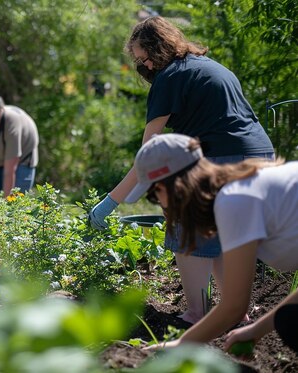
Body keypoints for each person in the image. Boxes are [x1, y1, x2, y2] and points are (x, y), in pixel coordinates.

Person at [88, 16, 274, 324]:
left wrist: (111, 202)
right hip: (260, 154)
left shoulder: (170, 77)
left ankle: (196, 313)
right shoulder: (206, 66)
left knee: (187, 227)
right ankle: (235, 309)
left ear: (157, 50)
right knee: (220, 233)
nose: (142, 67)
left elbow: (150, 153)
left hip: (226, 156)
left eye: (142, 59)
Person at [126, 133, 297, 353]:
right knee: (288, 318)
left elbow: (235, 306)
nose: (158, 202)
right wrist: (255, 330)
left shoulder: (235, 200)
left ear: (169, 185)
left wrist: (178, 345)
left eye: (154, 194)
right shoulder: (246, 185)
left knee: (291, 321)